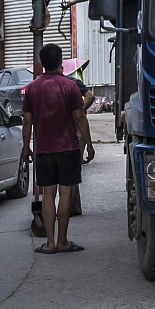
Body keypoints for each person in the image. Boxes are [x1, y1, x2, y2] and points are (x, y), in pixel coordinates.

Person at [21, 42, 95, 254]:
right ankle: (63, 241)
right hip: (68, 148)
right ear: (60, 62)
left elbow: (27, 122)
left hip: (43, 149)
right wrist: (89, 144)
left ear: (42, 64)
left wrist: (26, 147)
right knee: (64, 194)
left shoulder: (33, 88)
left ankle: (50, 243)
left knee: (48, 195)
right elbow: (79, 117)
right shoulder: (70, 86)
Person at [65, 61, 95, 217]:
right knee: (74, 166)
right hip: (77, 127)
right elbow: (91, 96)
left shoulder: (66, 84)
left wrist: (79, 110)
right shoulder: (74, 82)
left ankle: (71, 206)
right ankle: (73, 206)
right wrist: (81, 110)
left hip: (69, 127)